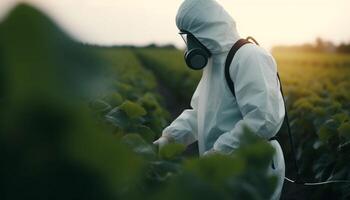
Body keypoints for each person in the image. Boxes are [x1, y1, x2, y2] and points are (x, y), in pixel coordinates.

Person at [153, 0, 285, 199]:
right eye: (185, 35)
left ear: (206, 29)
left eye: (191, 34)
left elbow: (263, 120)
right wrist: (169, 138)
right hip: (225, 169)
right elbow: (199, 112)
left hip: (252, 169)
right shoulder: (214, 62)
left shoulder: (249, 56)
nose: (189, 42)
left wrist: (220, 152)